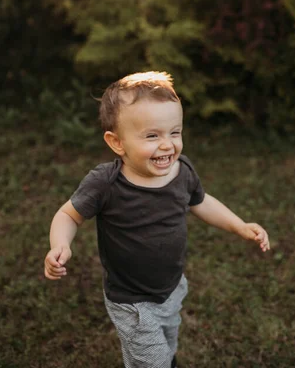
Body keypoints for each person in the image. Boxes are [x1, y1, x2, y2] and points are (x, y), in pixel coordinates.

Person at [44, 71, 270, 368]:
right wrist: (60, 245)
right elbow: (67, 215)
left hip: (171, 285)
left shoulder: (182, 171)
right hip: (132, 299)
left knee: (167, 342)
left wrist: (240, 225)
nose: (167, 145)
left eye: (174, 132)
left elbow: (201, 202)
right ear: (117, 143)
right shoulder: (105, 183)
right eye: (152, 136)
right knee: (151, 361)